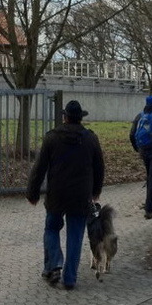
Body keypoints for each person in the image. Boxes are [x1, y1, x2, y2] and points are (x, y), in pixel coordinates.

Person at [27, 100, 105, 290]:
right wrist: (96, 191)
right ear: (80, 118)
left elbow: (39, 167)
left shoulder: (52, 138)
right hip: (81, 196)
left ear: (65, 117)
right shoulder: (90, 139)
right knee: (75, 236)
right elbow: (99, 167)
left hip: (57, 194)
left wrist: (33, 192)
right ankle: (70, 279)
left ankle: (54, 265)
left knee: (51, 229)